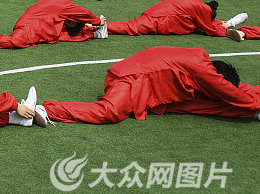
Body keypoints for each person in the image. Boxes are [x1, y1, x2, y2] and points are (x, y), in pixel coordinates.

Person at [42, 46, 260, 123]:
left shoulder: (201, 64)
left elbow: (232, 91)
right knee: (109, 112)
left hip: (148, 86)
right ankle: (44, 109)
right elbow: (230, 92)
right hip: (132, 79)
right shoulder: (203, 70)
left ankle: (253, 111)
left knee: (211, 102)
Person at [0, 0, 106, 49]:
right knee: (15, 42)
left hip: (35, 26)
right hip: (31, 26)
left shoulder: (62, 10)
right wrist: (97, 21)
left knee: (63, 34)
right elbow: (83, 13)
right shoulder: (66, 6)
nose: (69, 22)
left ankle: (96, 34)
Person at [106, 0, 246, 37]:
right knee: (131, 28)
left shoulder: (197, 3)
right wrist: (223, 30)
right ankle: (98, 24)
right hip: (159, 17)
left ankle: (230, 22)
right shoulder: (203, 9)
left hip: (158, 12)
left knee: (196, 25)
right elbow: (209, 29)